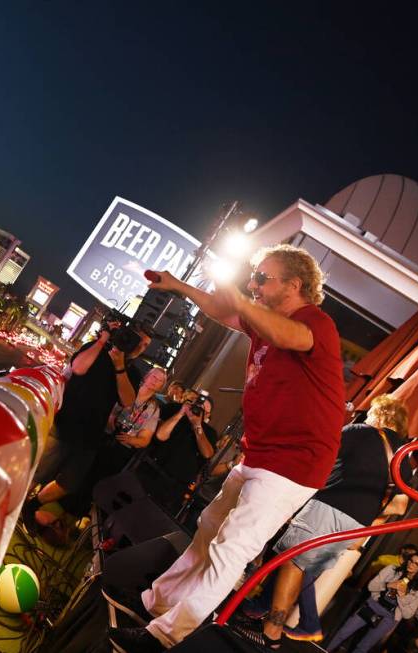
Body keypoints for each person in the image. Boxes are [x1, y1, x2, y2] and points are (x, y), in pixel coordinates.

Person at [109, 244, 345, 651]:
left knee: (229, 550)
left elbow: (286, 335)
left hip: (293, 465)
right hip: (262, 454)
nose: (253, 284)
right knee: (208, 530)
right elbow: (224, 312)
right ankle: (156, 604)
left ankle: (162, 638)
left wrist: (241, 296)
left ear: (294, 284)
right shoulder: (262, 320)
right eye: (252, 277)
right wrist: (179, 285)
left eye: (262, 278)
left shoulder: (313, 322)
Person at [240, 394, 415, 647]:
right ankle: (266, 618)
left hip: (328, 506)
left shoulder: (361, 431)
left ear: (381, 414)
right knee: (301, 570)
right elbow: (399, 507)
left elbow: (318, 455)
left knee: (292, 562)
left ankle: (271, 632)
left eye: (371, 412)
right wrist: (365, 522)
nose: (366, 416)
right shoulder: (403, 459)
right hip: (354, 526)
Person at [22, 319, 150, 533]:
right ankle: (13, 507)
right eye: (138, 340)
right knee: (36, 472)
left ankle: (31, 505)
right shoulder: (96, 349)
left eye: (146, 345)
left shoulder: (132, 373)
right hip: (64, 423)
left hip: (90, 435)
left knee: (69, 483)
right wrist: (103, 341)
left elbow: (128, 401)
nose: (139, 347)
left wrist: (119, 367)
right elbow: (78, 368)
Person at [326, 552, 418, 653]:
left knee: (363, 647)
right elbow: (371, 586)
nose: (411, 564)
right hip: (373, 605)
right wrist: (387, 585)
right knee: (343, 632)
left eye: (416, 564)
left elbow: (407, 615)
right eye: (411, 560)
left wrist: (402, 597)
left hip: (390, 617)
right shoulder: (392, 570)